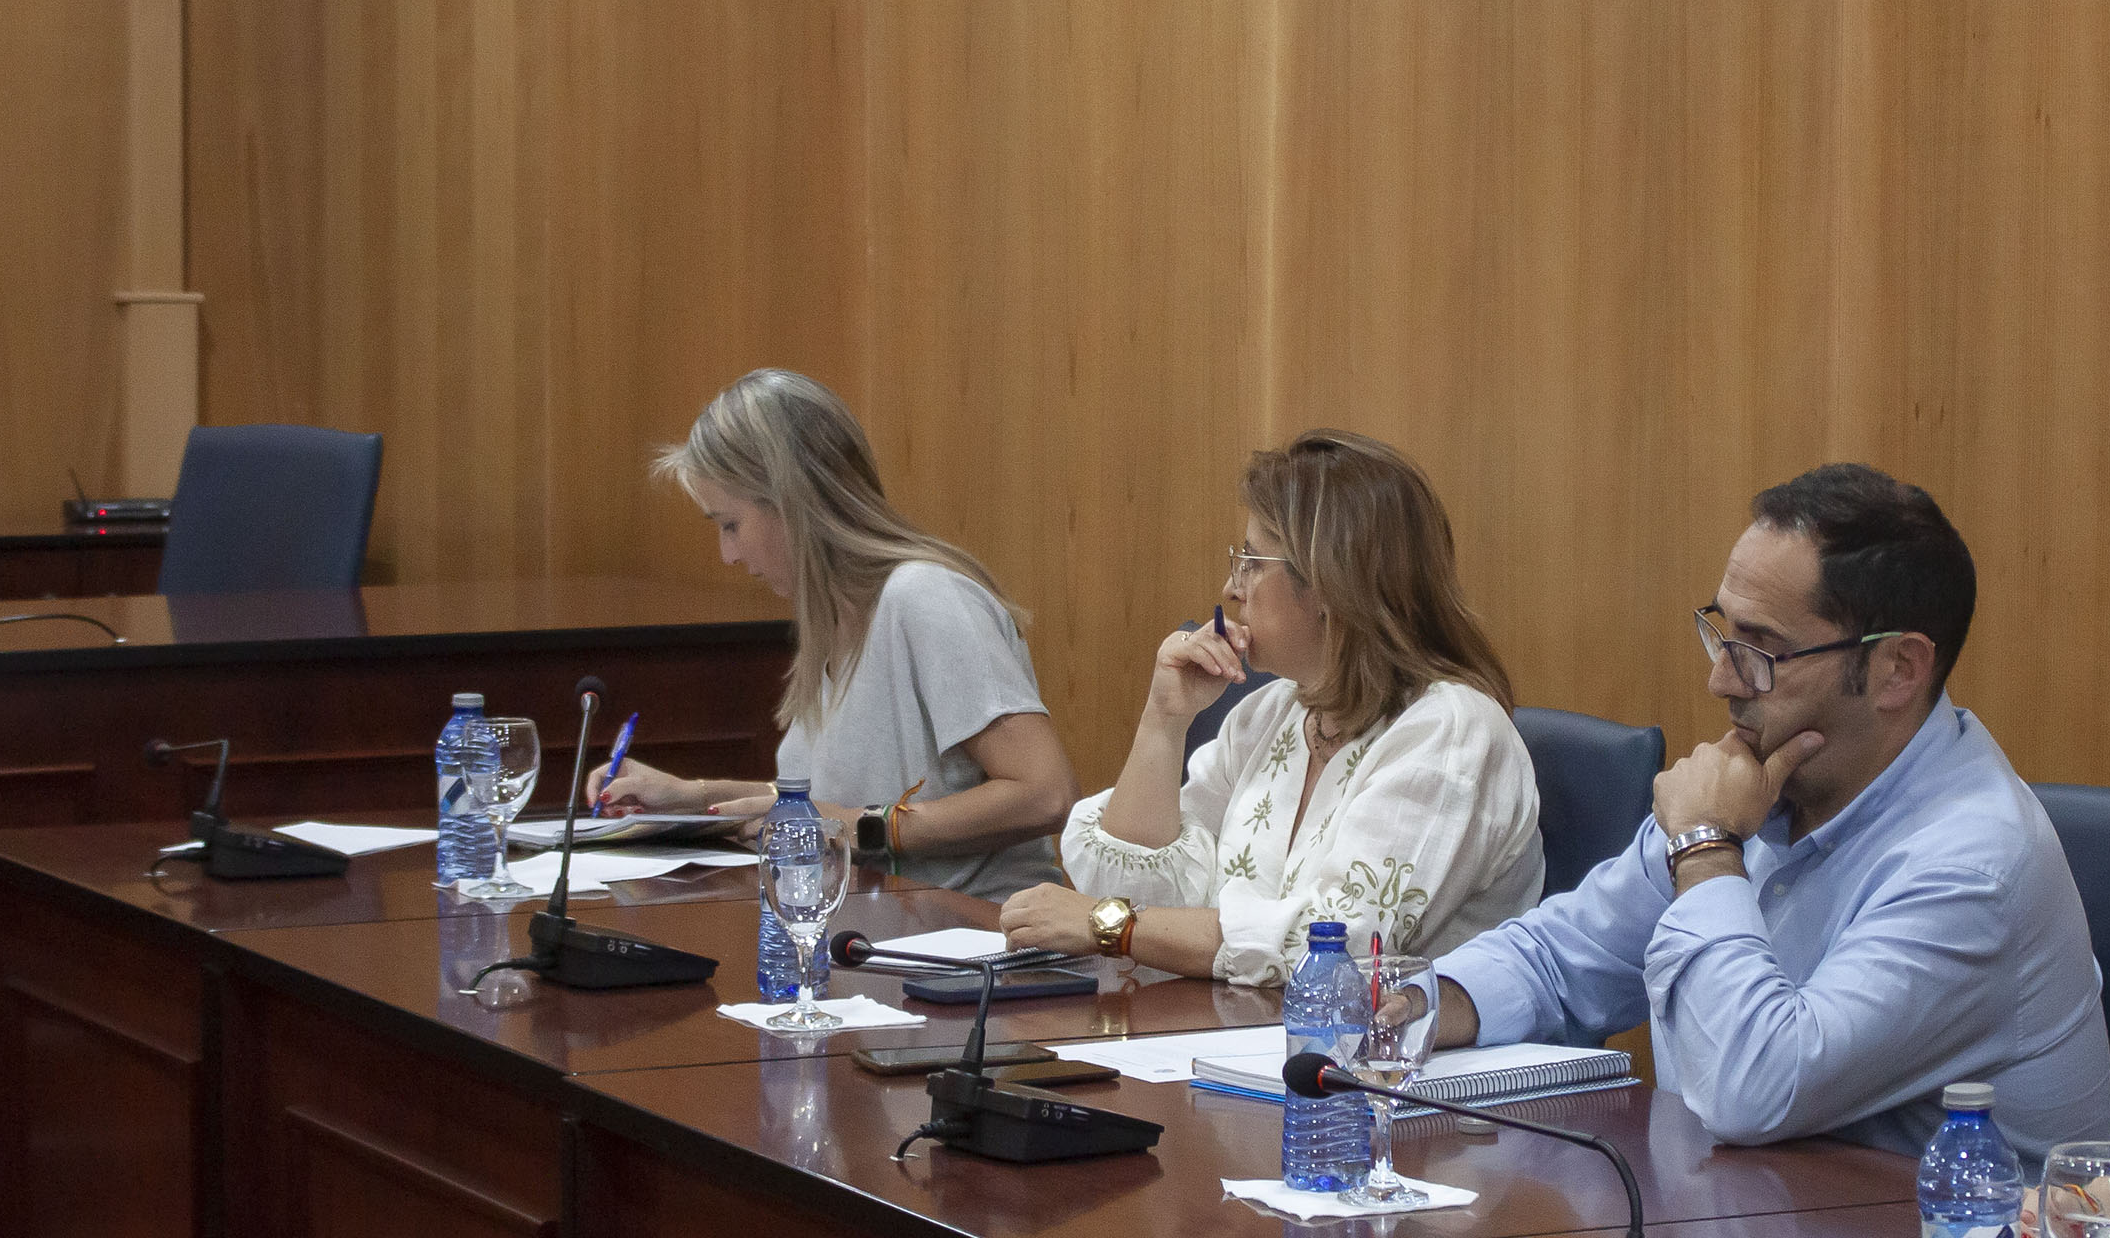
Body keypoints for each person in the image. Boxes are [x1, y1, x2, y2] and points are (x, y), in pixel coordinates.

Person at [1431, 464, 2110, 1163]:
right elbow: (1558, 960)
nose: (1721, 678)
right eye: (1722, 633)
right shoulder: (1760, 781)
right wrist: (1414, 1005)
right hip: (1740, 1212)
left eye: (1762, 650)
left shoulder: (1973, 869)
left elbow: (1751, 1089)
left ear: (1898, 669)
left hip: (1934, 1233)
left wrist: (1706, 851)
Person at [1004, 430, 1541, 981]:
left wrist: (1110, 925)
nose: (1231, 589)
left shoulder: (1451, 733)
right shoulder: (1273, 712)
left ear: (1330, 583)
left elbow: (1331, 948)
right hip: (1241, 1025)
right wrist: (1164, 722)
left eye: (1251, 563)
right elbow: (1143, 896)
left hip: (1390, 1039)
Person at [593, 370, 1075, 896]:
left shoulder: (924, 596)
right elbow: (831, 804)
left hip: (974, 930)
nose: (728, 554)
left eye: (730, 524)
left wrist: (858, 829)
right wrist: (694, 797)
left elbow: (1044, 794)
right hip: (878, 923)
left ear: (790, 501)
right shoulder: (832, 620)